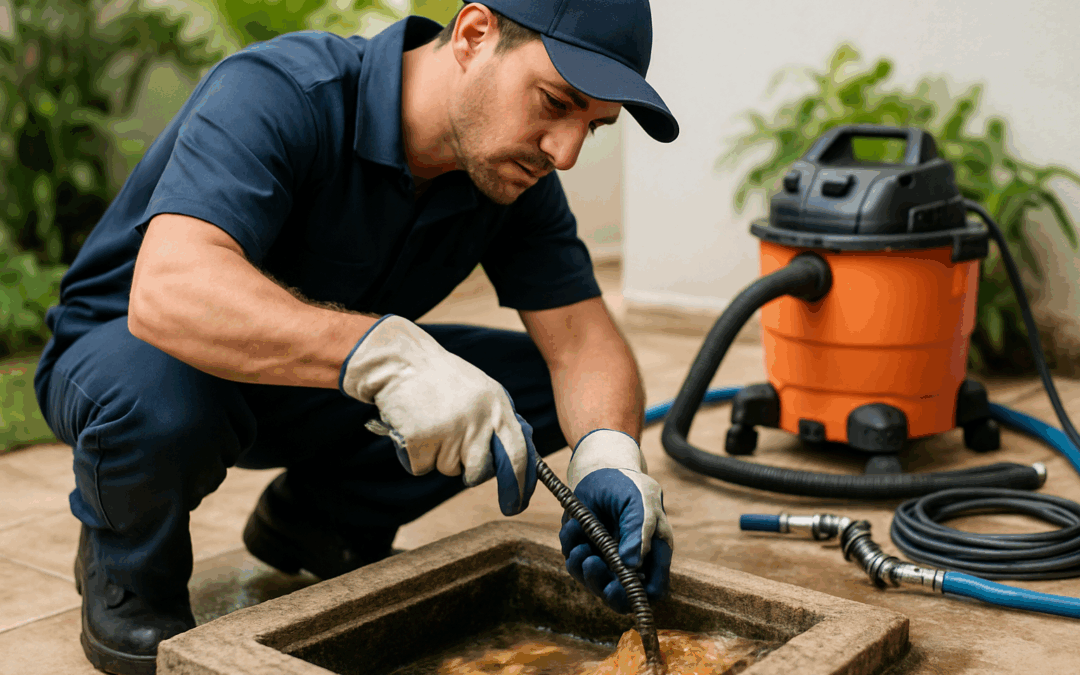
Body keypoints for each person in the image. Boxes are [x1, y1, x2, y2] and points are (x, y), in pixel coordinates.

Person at [33, 1, 680, 673]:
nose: (566, 151)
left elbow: (583, 344)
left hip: (298, 385)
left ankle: (320, 522)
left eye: (593, 128)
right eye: (555, 101)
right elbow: (169, 290)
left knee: (527, 386)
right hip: (132, 356)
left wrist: (609, 458)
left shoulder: (510, 177)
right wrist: (389, 358)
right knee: (160, 397)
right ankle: (129, 573)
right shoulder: (282, 91)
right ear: (474, 35)